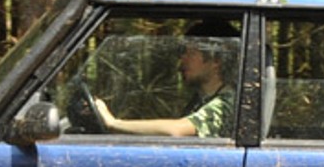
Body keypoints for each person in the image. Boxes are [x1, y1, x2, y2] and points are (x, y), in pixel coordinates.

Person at [94, 21, 239, 138]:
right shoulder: (201, 99)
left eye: (191, 53)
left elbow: (177, 130)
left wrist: (114, 123)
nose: (182, 60)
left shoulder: (229, 103)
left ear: (216, 60)